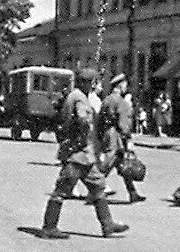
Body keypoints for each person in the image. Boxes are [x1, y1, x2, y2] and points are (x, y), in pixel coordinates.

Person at [35, 68, 128, 240]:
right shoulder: (79, 98)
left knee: (98, 185)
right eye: (94, 82)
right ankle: (49, 227)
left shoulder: (75, 95)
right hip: (77, 154)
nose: (95, 85)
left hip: (83, 155)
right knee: (62, 190)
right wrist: (86, 135)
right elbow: (83, 120)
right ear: (87, 82)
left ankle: (107, 224)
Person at [98, 73, 144, 203]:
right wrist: (128, 139)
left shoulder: (107, 99)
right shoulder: (121, 101)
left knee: (124, 166)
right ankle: (94, 191)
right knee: (107, 165)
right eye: (125, 85)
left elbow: (100, 119)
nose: (126, 87)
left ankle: (133, 193)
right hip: (116, 138)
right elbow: (124, 124)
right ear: (121, 85)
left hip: (108, 134)